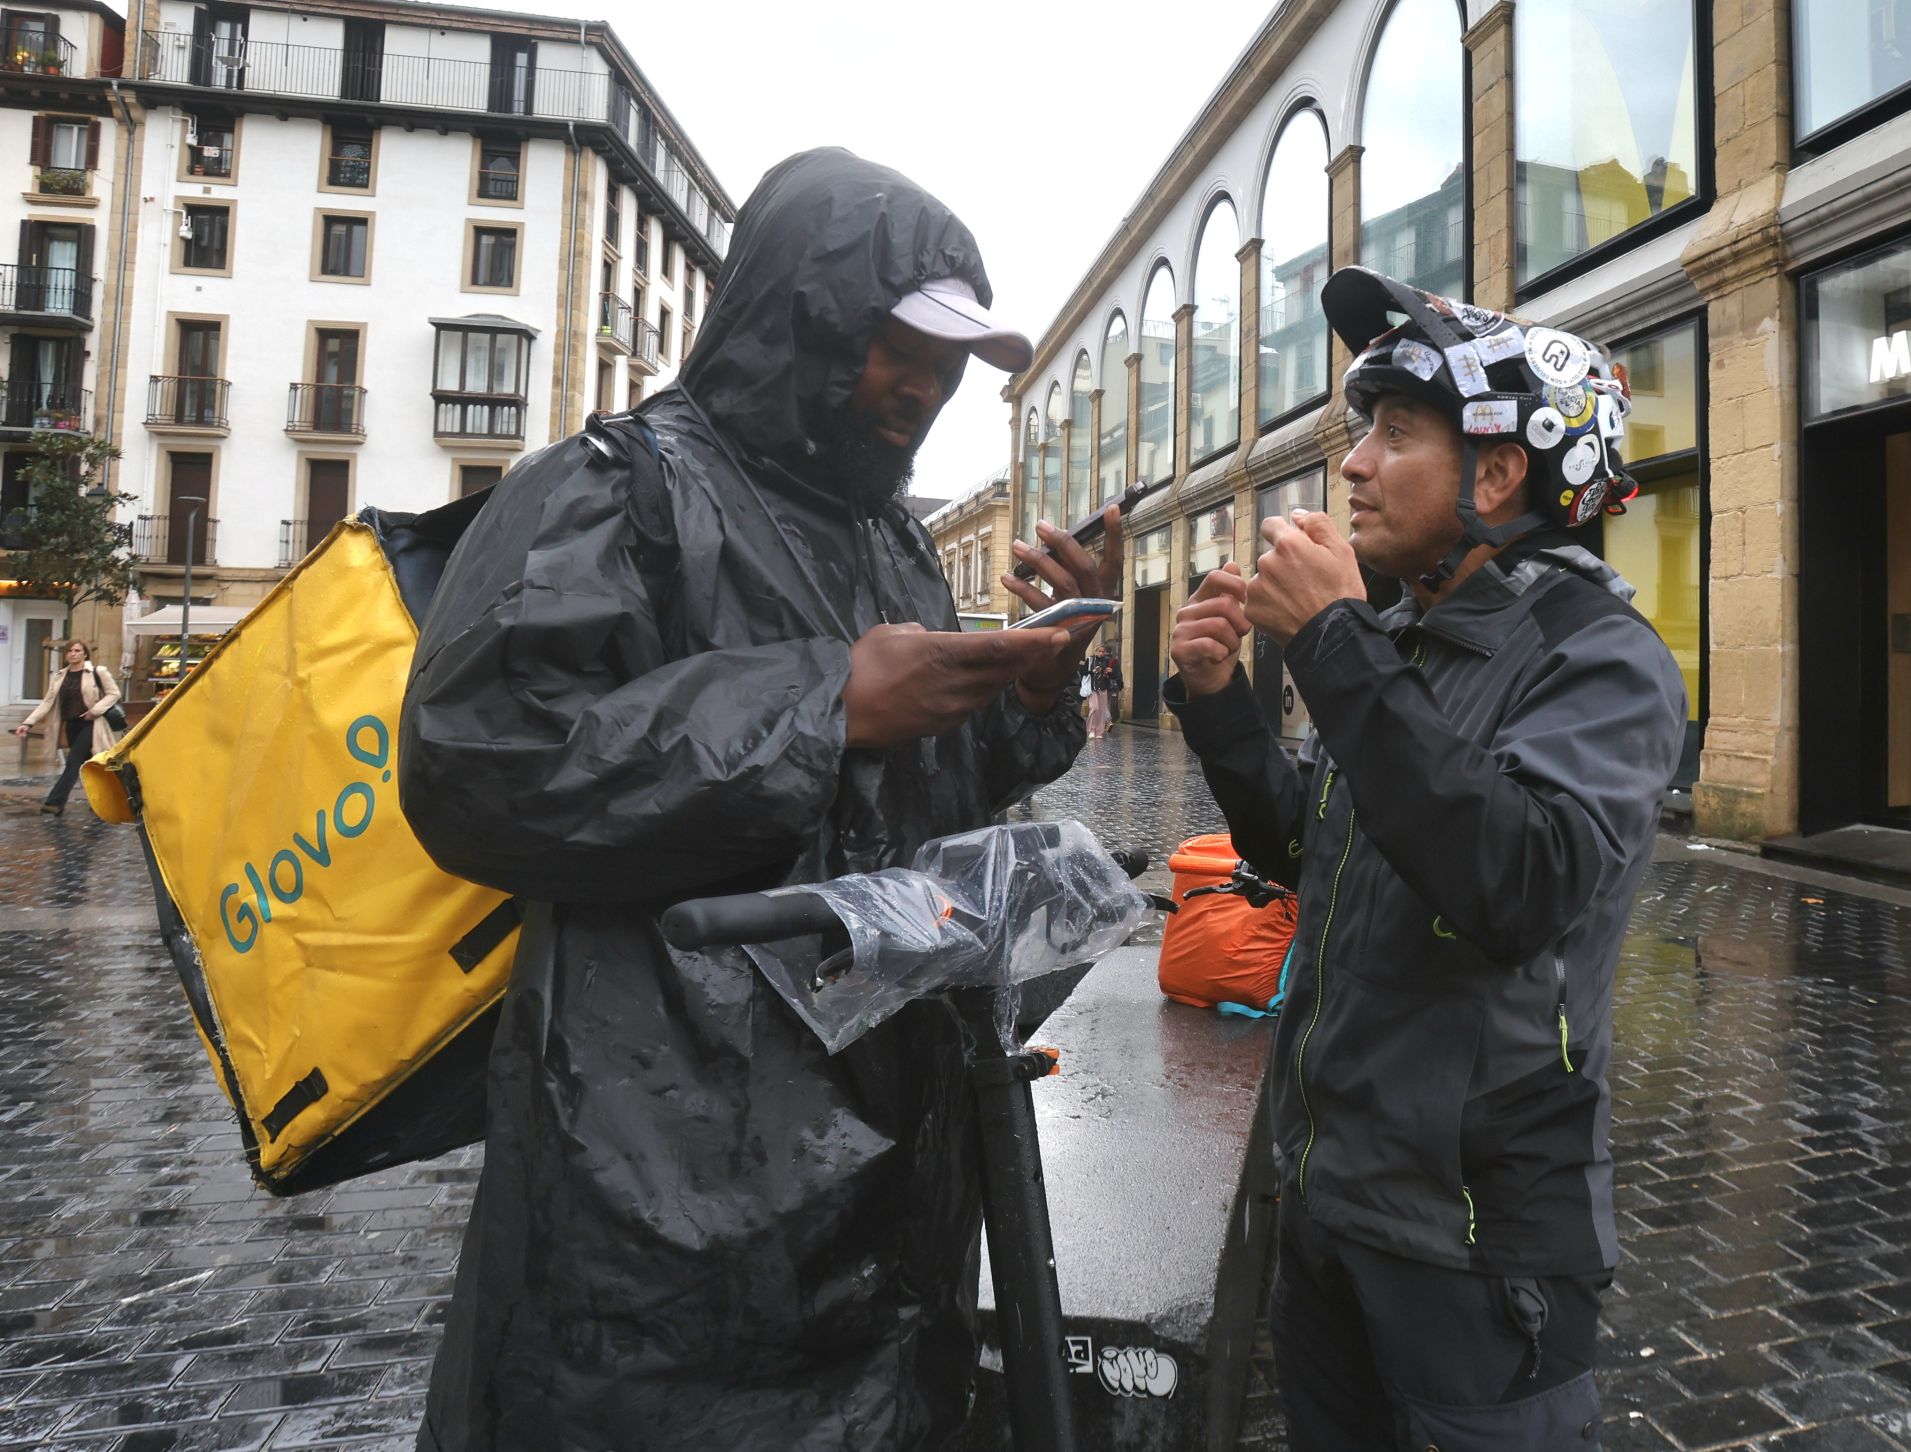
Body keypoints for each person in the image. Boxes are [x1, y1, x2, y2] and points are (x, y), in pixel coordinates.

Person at [397, 147, 1121, 1452]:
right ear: (803, 316)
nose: (929, 387)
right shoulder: (609, 491)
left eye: (950, 361)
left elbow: (914, 800)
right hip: (661, 1188)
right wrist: (821, 703)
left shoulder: (891, 539)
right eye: (901, 347)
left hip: (886, 1183)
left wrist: (1023, 693)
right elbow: (478, 766)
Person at [1165, 266, 1686, 1449]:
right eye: (1364, 433)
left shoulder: (1601, 656)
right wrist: (1219, 706)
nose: (1352, 464)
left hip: (1479, 1245)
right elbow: (1317, 845)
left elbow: (1521, 879)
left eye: (1397, 433)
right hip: (1335, 1201)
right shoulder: (1403, 636)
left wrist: (1340, 649)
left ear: (1501, 473)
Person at [14, 639, 120, 815]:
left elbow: (114, 693)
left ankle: (54, 803)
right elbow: (47, 703)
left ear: (85, 654)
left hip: (91, 724)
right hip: (71, 725)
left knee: (73, 763)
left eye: (77, 650)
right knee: (92, 766)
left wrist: (95, 711)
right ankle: (105, 801)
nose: (73, 653)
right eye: (70, 651)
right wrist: (27, 722)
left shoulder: (96, 672)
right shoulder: (60, 676)